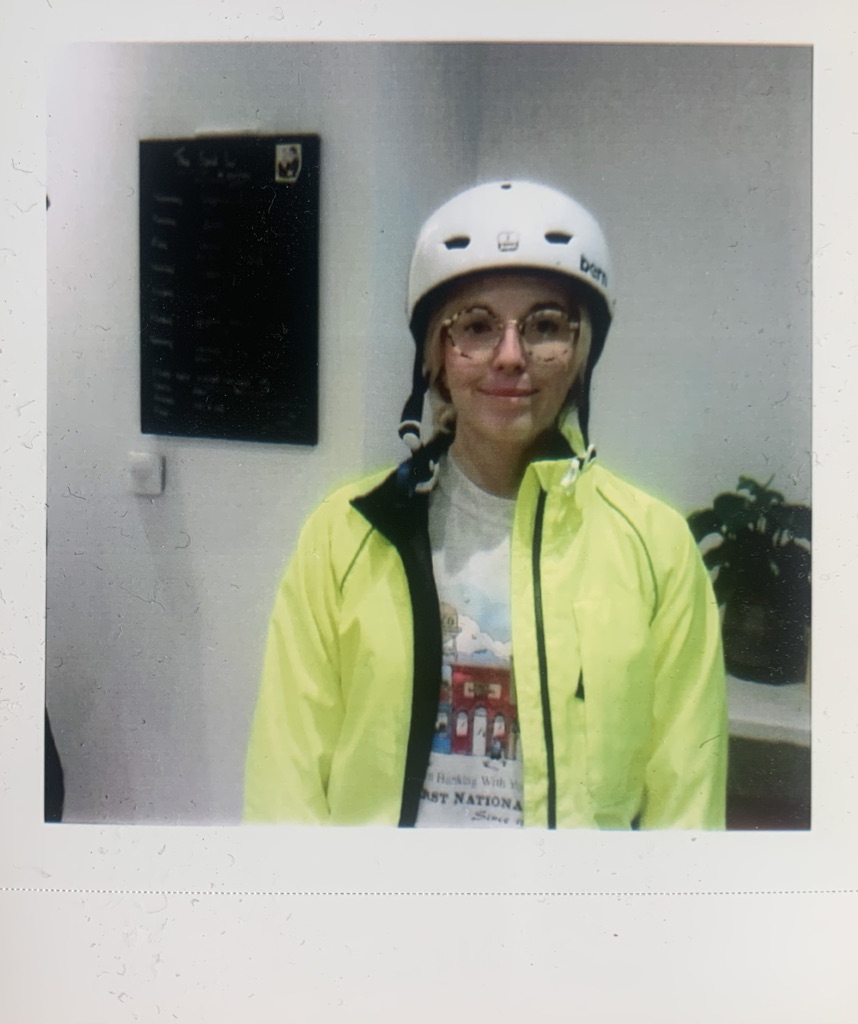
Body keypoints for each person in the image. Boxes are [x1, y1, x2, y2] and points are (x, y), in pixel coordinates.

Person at [244, 179, 727, 828]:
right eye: (474, 325)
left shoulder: (657, 551)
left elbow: (685, 812)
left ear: (581, 354)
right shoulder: (346, 534)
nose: (510, 356)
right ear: (436, 356)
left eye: (546, 326)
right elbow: (287, 789)